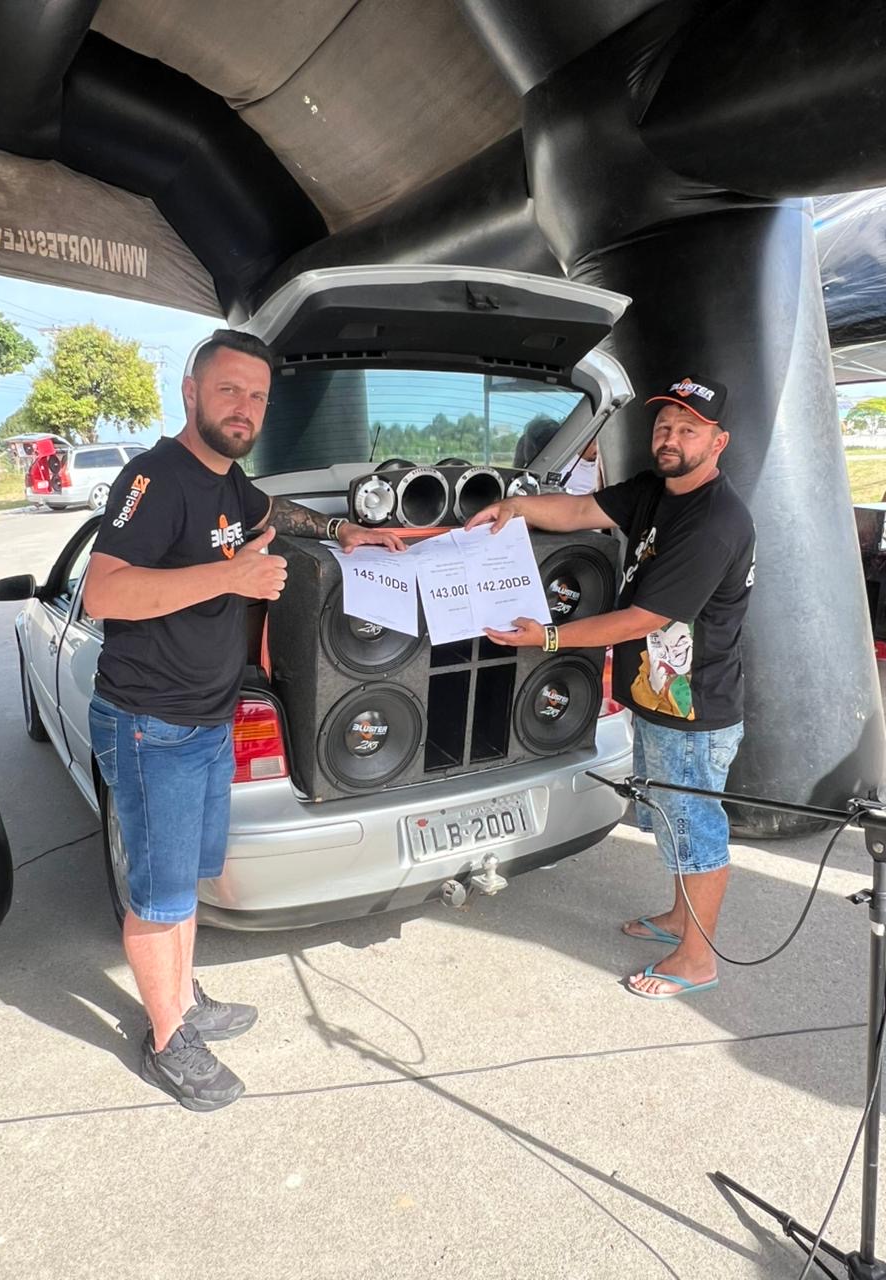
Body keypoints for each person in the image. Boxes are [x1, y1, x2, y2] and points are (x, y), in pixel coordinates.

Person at [83, 329, 405, 1110]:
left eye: (258, 396)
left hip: (205, 719)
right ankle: (167, 1041)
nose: (245, 408)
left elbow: (274, 510)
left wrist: (343, 531)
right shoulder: (155, 478)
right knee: (158, 895)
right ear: (190, 391)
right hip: (150, 721)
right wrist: (232, 576)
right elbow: (104, 592)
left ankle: (184, 999)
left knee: (186, 879)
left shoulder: (229, 482)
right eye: (229, 389)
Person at [467, 375, 755, 1001]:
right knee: (673, 820)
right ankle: (678, 918)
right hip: (658, 700)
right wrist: (515, 508)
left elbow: (640, 620)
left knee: (695, 827)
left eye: (689, 429)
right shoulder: (655, 489)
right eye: (664, 426)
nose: (671, 438)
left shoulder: (713, 522)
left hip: (694, 711)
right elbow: (578, 511)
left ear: (719, 441)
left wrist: (546, 637)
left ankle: (697, 960)